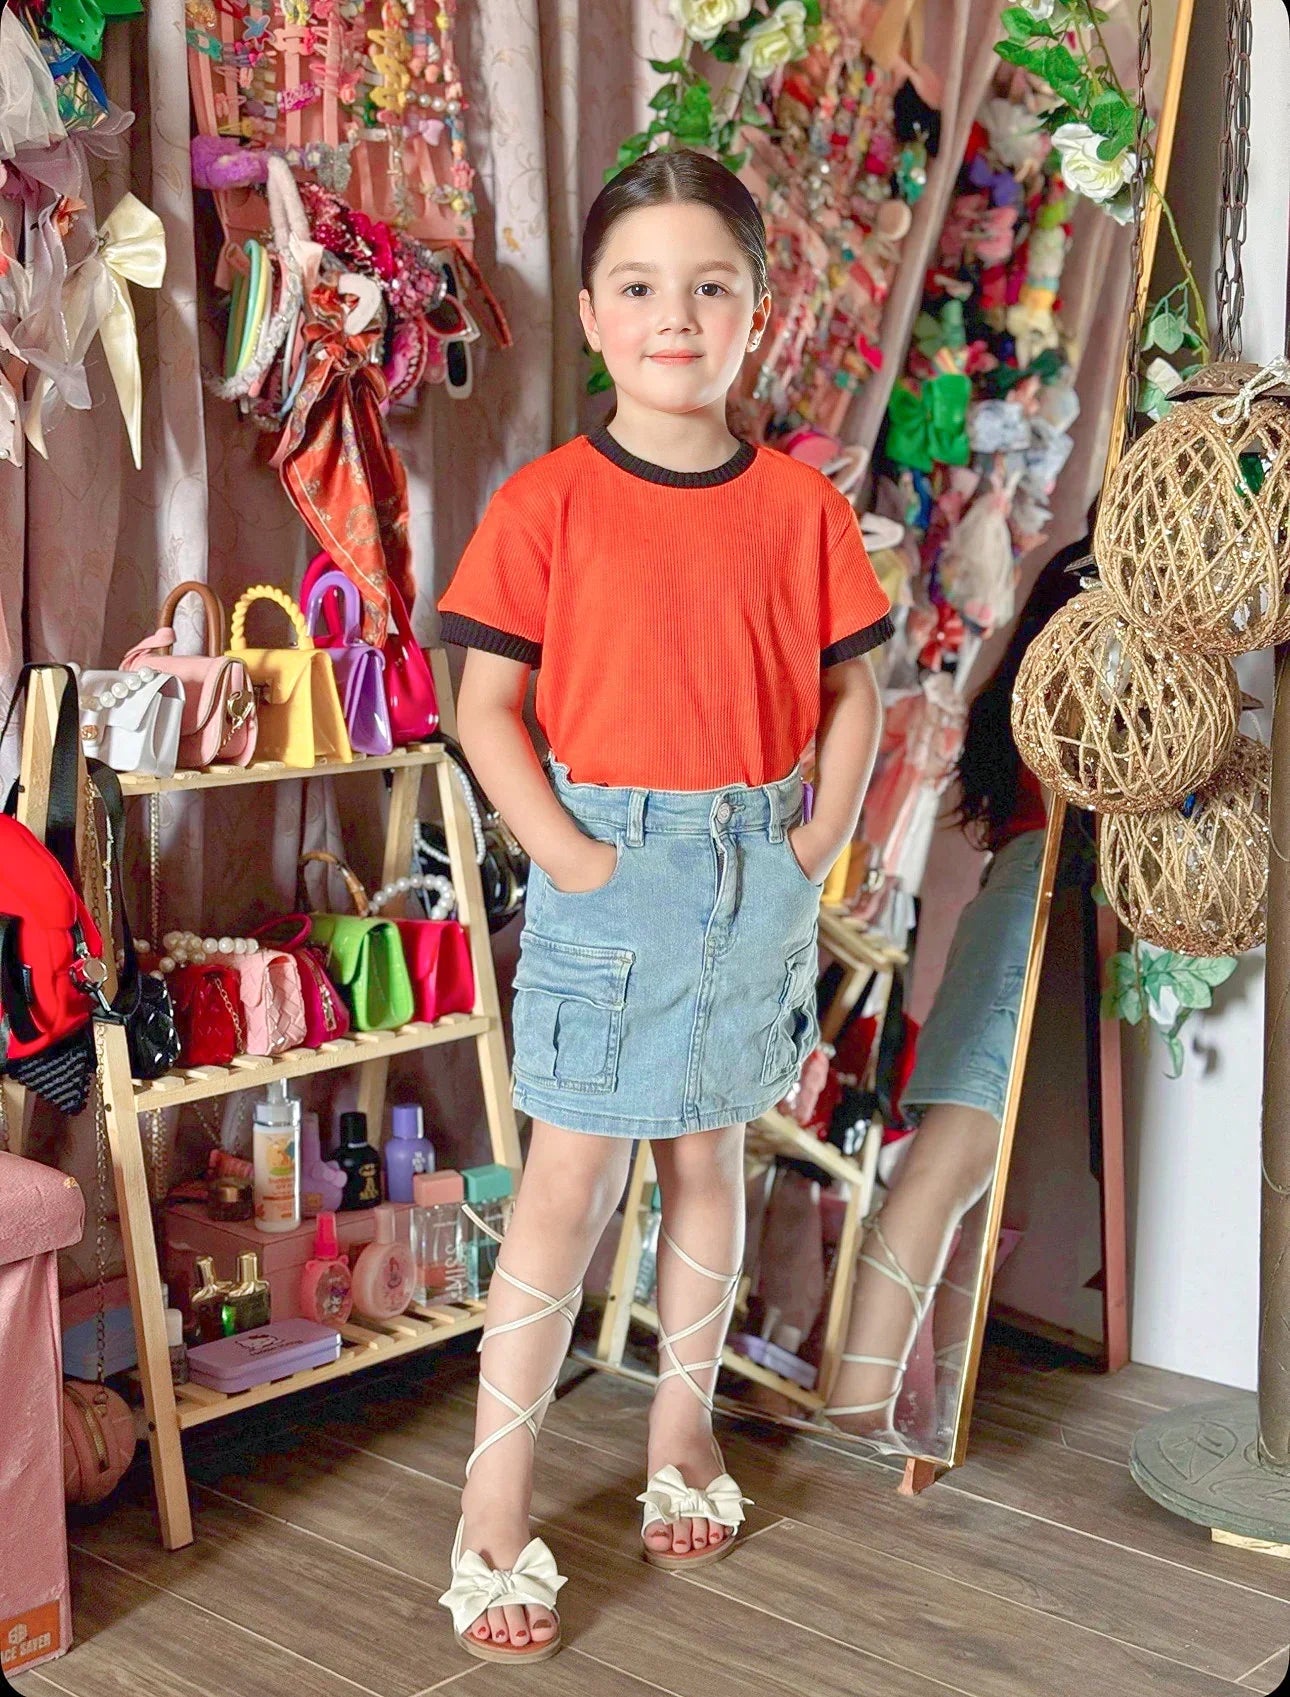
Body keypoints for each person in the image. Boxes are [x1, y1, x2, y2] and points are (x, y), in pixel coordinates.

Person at [433, 148, 891, 1662]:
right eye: (638, 286)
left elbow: (854, 690)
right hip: (609, 866)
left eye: (709, 286)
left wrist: (818, 834)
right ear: (591, 313)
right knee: (568, 1182)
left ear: (756, 311)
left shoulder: (801, 509)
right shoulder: (546, 503)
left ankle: (679, 1435)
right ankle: (491, 1507)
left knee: (709, 1154)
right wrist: (572, 860)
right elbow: (484, 707)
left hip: (757, 866)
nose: (674, 316)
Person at [822, 536, 1090, 1449]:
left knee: (965, 1178)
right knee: (950, 1166)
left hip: (1022, 901)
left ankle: (895, 1407)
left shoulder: (1036, 687)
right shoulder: (1079, 686)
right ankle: (858, 1406)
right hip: (1029, 907)